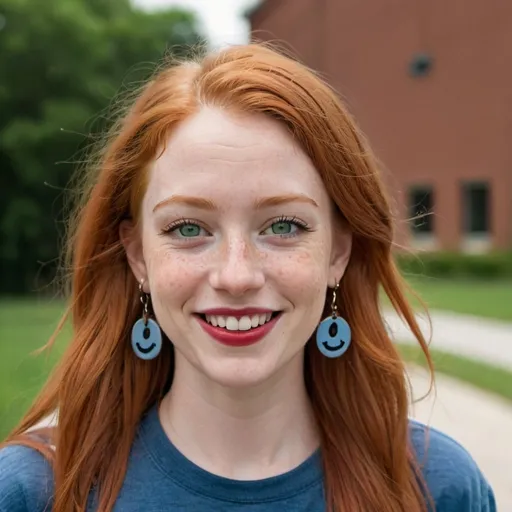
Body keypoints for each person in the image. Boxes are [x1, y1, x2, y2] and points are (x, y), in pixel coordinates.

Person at [0, 43, 496, 512]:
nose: (236, 276)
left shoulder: (435, 487)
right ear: (138, 258)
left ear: (338, 252)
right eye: (188, 228)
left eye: (283, 226)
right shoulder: (33, 492)